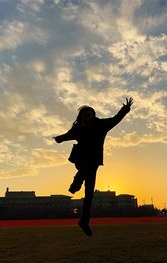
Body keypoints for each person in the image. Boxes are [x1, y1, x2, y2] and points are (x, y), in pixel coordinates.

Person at [53, 97, 133, 236]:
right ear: (81, 117)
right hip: (80, 159)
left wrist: (124, 110)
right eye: (86, 115)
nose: (88, 117)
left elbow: (115, 120)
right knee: (85, 168)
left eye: (91, 115)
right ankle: (77, 181)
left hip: (94, 161)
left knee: (89, 194)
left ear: (94, 116)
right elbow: (68, 135)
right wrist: (59, 139)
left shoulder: (101, 125)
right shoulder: (78, 128)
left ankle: (84, 221)